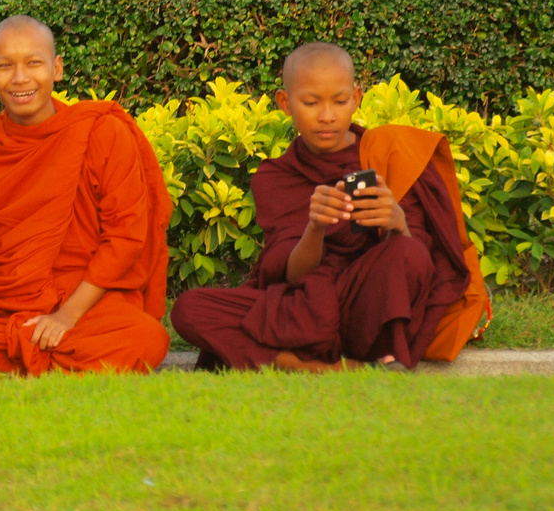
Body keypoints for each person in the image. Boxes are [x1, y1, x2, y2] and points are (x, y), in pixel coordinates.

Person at [170, 43, 489, 372]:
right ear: (285, 103)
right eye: (310, 102)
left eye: (339, 101)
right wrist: (316, 227)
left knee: (408, 253)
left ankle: (313, 359)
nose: (327, 116)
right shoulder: (275, 176)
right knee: (190, 309)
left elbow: (424, 266)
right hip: (303, 308)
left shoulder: (387, 154)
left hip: (366, 304)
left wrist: (398, 223)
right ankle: (331, 368)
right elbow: (293, 274)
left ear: (356, 98)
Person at [0, 16, 171, 381]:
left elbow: (125, 238)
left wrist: (66, 316)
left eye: (33, 63)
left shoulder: (100, 131)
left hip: (83, 304)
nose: (20, 78)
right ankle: (44, 366)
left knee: (145, 338)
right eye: (5, 66)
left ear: (56, 68)